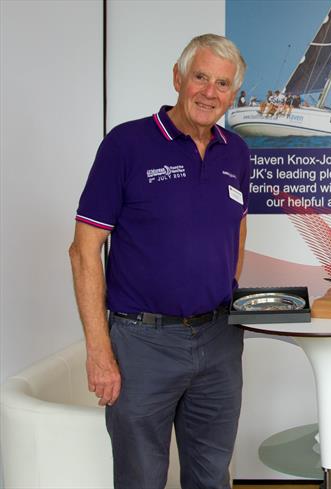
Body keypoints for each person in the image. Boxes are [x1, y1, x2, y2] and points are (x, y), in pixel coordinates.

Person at [68, 34, 250, 489]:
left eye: (223, 84)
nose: (210, 92)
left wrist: (220, 292)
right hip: (141, 344)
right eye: (200, 78)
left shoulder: (237, 152)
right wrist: (99, 352)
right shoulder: (126, 144)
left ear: (233, 94)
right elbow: (84, 250)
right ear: (178, 77)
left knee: (211, 477)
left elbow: (237, 228)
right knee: (141, 479)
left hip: (219, 342)